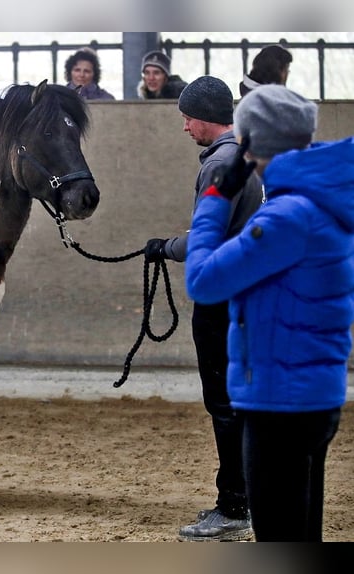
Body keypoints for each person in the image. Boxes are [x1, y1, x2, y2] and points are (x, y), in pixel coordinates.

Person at [186, 84, 353, 542]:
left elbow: (202, 278)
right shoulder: (316, 203)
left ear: (252, 142)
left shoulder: (286, 218)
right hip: (309, 395)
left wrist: (216, 198)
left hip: (281, 403)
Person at [144, 76, 264, 541]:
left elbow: (207, 238)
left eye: (186, 117)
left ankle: (234, 505)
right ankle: (248, 495)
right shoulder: (250, 155)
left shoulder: (220, 163)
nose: (184, 127)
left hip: (222, 295)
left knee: (223, 402)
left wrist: (164, 247)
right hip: (250, 292)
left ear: (204, 117)